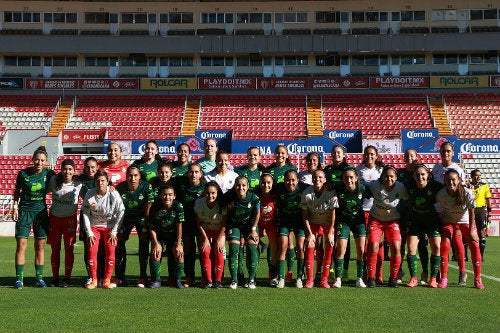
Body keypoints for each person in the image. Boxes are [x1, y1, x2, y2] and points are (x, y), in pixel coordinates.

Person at [12, 146, 55, 289]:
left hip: (41, 212)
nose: (39, 162)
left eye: (42, 160)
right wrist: (15, 206)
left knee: (40, 246)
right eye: (37, 159)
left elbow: (64, 180)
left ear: (46, 161)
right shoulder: (23, 173)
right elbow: (17, 190)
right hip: (24, 211)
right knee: (21, 245)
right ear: (32, 159)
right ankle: (19, 279)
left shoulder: (49, 174)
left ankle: (39, 278)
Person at [436, 169, 484, 289]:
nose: (451, 182)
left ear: (459, 180)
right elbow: (438, 210)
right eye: (448, 180)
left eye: (453, 180)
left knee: (474, 245)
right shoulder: (441, 194)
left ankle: (477, 279)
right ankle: (444, 278)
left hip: (465, 222)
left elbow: (472, 212)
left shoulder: (467, 192)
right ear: (444, 181)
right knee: (445, 246)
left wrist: (472, 231)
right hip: (448, 221)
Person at [365, 165, 409, 288]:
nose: (388, 179)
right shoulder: (374, 186)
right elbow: (362, 189)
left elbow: (407, 200)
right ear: (382, 177)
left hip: (392, 220)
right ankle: (371, 278)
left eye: (391, 176)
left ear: (396, 177)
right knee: (373, 245)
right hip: (376, 220)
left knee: (396, 246)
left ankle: (393, 278)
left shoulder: (401, 187)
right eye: (386, 176)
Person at [82, 170, 125, 289]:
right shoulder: (89, 194)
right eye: (97, 180)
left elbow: (121, 211)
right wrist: (89, 232)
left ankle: (107, 280)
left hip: (110, 227)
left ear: (107, 182)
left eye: (102, 180)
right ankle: (94, 280)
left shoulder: (114, 193)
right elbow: (85, 213)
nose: (100, 183)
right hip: (94, 227)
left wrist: (115, 231)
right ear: (94, 182)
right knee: (91, 252)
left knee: (111, 253)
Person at [404, 164, 443, 288]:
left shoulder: (436, 186)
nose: (420, 177)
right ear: (413, 176)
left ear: (428, 175)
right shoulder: (408, 185)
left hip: (431, 220)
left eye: (422, 174)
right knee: (411, 248)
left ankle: (433, 278)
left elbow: (451, 188)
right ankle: (413, 278)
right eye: (417, 174)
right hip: (415, 219)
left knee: (436, 246)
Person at [115, 165, 154, 287]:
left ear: (140, 176)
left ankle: (143, 277)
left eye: (135, 175)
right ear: (126, 176)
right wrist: (119, 227)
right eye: (130, 175)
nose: (132, 178)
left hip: (142, 217)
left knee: (143, 244)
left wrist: (145, 227)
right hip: (125, 218)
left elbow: (149, 209)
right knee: (119, 244)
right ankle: (120, 277)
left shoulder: (146, 187)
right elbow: (116, 208)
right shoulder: (120, 187)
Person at [47, 159, 82, 287]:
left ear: (74, 171)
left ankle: (67, 278)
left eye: (70, 169)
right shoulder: (53, 180)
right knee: (55, 249)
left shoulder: (78, 182)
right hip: (55, 218)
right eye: (65, 169)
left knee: (69, 249)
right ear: (61, 170)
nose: (67, 171)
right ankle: (55, 278)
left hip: (70, 219)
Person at [333, 167, 370, 288]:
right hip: (343, 222)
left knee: (361, 250)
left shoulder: (362, 189)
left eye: (351, 177)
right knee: (340, 250)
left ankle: (359, 278)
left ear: (356, 178)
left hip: (359, 222)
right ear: (343, 179)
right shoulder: (338, 188)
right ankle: (337, 279)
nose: (349, 180)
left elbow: (375, 195)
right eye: (346, 178)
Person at [265, 144, 297, 282]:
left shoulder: (291, 169)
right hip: (272, 210)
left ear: (287, 155)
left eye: (283, 153)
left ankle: (289, 271)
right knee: (272, 242)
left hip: (286, 211)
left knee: (289, 242)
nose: (280, 155)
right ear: (274, 154)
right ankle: (272, 271)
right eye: (277, 153)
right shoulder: (268, 170)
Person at [302, 170, 338, 288]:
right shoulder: (306, 193)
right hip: (312, 223)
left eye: (320, 177)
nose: (317, 179)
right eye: (315, 177)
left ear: (325, 179)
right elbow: (305, 216)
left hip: (327, 223)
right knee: (310, 246)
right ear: (311, 179)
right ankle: (310, 280)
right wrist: (309, 233)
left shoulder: (331, 192)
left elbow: (333, 214)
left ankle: (324, 280)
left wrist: (331, 231)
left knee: (330, 246)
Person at [356, 145, 385, 284]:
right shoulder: (358, 170)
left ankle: (378, 275)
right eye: (367, 154)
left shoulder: (381, 171)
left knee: (378, 244)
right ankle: (368, 274)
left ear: (376, 156)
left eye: (372, 154)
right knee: (367, 245)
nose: (369, 156)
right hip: (362, 210)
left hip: (378, 211)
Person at [225, 176, 260, 289]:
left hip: (249, 227)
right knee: (234, 249)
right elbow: (225, 215)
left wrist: (254, 229)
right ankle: (234, 280)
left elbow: (257, 213)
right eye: (238, 185)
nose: (241, 187)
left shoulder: (254, 198)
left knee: (252, 248)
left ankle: (251, 280)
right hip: (234, 225)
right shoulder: (229, 197)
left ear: (248, 186)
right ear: (234, 186)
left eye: (243, 185)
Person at [275, 170, 308, 288]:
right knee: (283, 246)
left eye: (293, 180)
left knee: (300, 247)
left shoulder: (304, 188)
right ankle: (281, 278)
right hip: (285, 220)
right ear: (284, 181)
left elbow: (319, 188)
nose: (290, 183)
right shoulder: (278, 188)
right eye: (287, 180)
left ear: (298, 180)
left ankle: (299, 276)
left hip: (299, 220)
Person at [174, 163, 205, 287]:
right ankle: (189, 277)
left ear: (201, 174)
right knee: (189, 251)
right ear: (187, 173)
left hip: (201, 224)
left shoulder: (205, 187)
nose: (193, 174)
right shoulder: (181, 187)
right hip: (186, 223)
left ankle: (205, 277)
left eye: (196, 172)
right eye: (191, 172)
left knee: (203, 250)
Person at [324, 145, 352, 282]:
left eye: (339, 152)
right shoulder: (327, 169)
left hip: (345, 209)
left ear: (343, 154)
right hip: (330, 209)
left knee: (344, 242)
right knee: (330, 241)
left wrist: (334, 186)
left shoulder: (348, 169)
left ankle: (345, 269)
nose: (336, 154)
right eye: (334, 152)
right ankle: (330, 268)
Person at [148, 184, 185, 289]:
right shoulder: (155, 206)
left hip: (173, 236)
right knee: (156, 253)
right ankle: (156, 280)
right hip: (159, 236)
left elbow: (179, 226)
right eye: (164, 194)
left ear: (174, 196)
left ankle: (177, 280)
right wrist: (155, 243)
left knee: (179, 253)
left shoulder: (178, 206)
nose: (167, 197)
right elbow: (152, 227)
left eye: (170, 195)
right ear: (160, 195)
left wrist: (178, 244)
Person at [194, 181, 227, 289]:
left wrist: (218, 240)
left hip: (219, 231)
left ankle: (218, 280)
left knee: (219, 250)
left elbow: (224, 224)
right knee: (205, 251)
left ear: (217, 193)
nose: (210, 196)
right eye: (208, 193)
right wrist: (205, 239)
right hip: (205, 231)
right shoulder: (199, 203)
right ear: (204, 193)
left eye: (213, 193)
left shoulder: (222, 204)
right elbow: (198, 223)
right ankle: (208, 280)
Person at [254, 173, 279, 285]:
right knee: (252, 246)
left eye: (269, 182)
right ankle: (252, 275)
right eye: (263, 182)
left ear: (272, 184)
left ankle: (272, 274)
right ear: (260, 183)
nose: (266, 185)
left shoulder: (276, 196)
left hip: (271, 224)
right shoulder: (255, 195)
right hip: (258, 223)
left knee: (274, 248)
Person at [78, 157, 99, 285]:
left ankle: (100, 275)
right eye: (88, 167)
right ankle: (90, 275)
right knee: (88, 247)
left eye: (93, 167)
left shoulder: (103, 178)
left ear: (97, 168)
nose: (90, 170)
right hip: (86, 216)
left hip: (101, 218)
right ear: (84, 168)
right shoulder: (79, 180)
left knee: (100, 248)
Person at [469, 169, 492, 261]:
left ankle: (480, 256)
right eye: (476, 175)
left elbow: (488, 200)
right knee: (467, 232)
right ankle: (465, 255)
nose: (478, 177)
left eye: (479, 175)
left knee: (481, 232)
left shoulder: (484, 186)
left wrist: (489, 214)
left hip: (480, 210)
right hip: (469, 210)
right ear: (471, 176)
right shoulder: (468, 186)